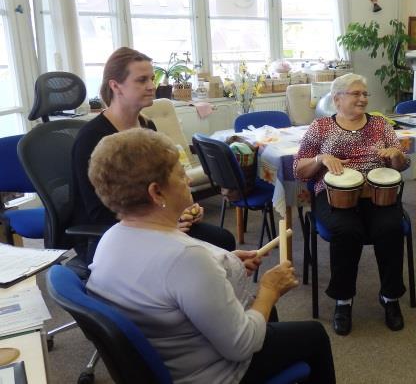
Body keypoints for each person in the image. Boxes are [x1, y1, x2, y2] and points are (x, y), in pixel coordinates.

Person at [86, 128, 335, 383]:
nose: (189, 180)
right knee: (314, 334)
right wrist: (269, 290)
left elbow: (167, 284)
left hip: (173, 356)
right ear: (156, 192)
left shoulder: (112, 237)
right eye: (180, 174)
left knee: (270, 321)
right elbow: (242, 345)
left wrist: (222, 264)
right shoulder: (186, 259)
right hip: (211, 372)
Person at [71, 47, 235, 254]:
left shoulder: (147, 126)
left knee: (223, 240)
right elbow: (96, 212)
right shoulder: (92, 138)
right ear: (115, 86)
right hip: (115, 235)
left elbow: (161, 187)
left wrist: (183, 210)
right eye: (141, 80)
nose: (151, 86)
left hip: (153, 222)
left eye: (151, 79)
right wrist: (161, 225)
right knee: (210, 249)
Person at [293, 73, 410, 335]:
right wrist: (321, 159)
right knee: (347, 231)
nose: (363, 99)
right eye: (356, 94)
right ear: (337, 99)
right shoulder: (321, 127)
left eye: (365, 94)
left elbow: (402, 165)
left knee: (390, 227)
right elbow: (299, 169)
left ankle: (390, 297)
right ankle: (343, 301)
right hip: (335, 196)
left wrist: (396, 156)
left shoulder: (380, 125)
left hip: (378, 194)